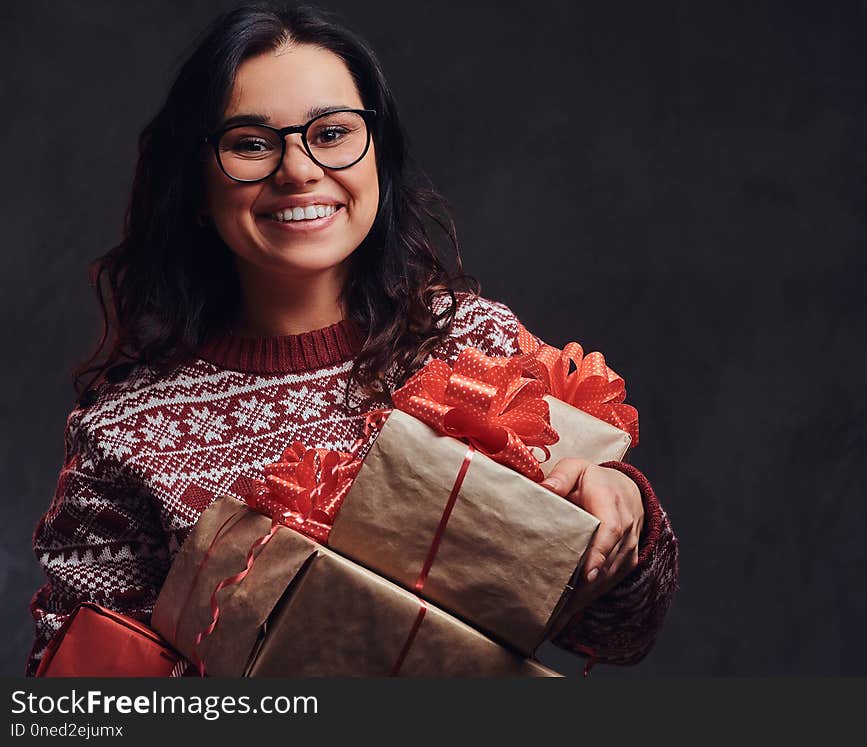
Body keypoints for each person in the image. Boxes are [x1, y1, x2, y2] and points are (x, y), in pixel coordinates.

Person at [26, 1, 679, 677]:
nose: (299, 169)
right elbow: (79, 693)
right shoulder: (127, 432)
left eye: (332, 133)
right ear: (196, 182)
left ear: (378, 157)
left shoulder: (477, 344)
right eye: (251, 143)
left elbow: (625, 630)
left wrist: (623, 512)